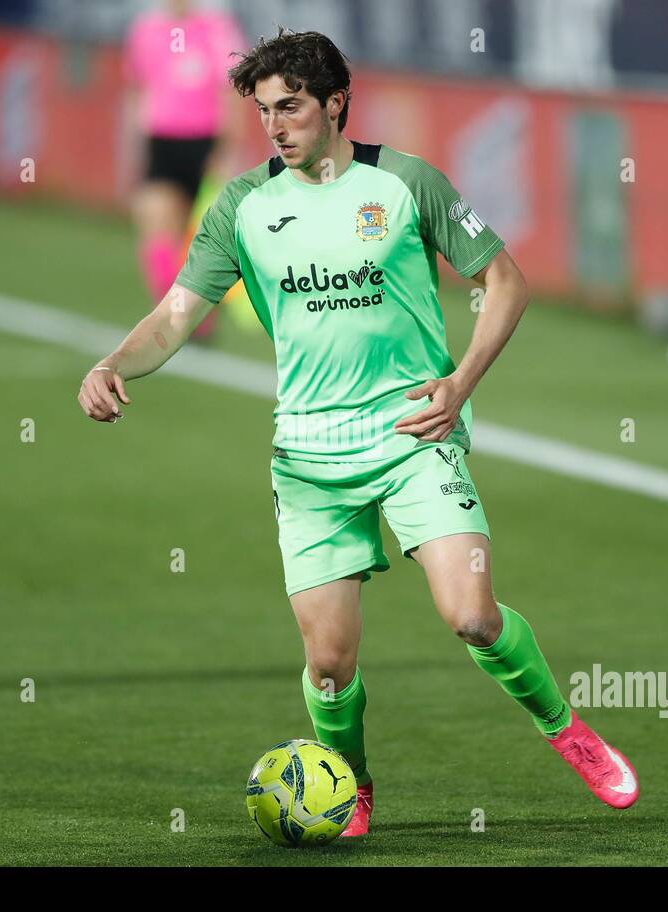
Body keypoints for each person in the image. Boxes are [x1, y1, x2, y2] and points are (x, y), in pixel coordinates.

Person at [79, 28, 639, 837]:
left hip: (415, 435)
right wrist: (114, 365)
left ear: (337, 101)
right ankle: (352, 785)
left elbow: (505, 281)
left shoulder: (407, 183)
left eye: (292, 106)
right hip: (308, 459)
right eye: (265, 110)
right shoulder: (242, 206)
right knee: (330, 667)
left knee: (471, 615)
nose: (275, 125)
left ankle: (567, 731)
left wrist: (460, 382)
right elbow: (174, 315)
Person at [122, 0, 246, 339]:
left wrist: (227, 151)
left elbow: (231, 92)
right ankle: (174, 313)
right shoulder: (144, 30)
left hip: (206, 145)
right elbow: (137, 90)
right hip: (162, 144)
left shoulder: (217, 28)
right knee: (156, 223)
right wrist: (134, 152)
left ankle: (199, 317)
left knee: (199, 242)